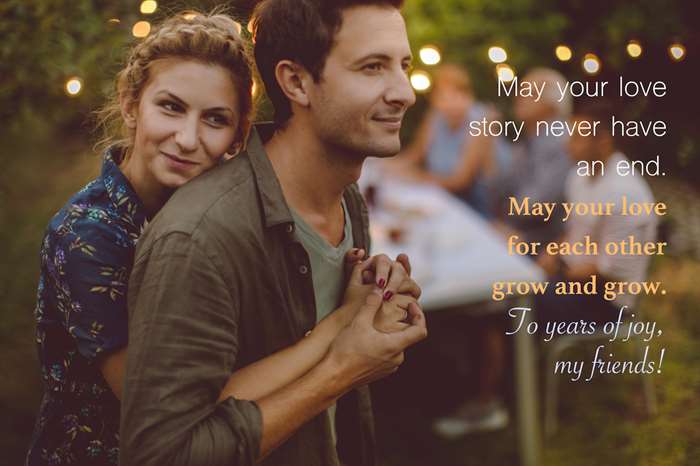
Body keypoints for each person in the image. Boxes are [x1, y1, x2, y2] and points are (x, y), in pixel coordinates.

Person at [27, 10, 416, 466]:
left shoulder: (268, 204)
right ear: (131, 105)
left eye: (215, 119)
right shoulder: (92, 234)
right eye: (170, 107)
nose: (188, 139)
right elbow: (163, 405)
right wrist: (340, 332)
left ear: (238, 132)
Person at [536, 99, 658, 324]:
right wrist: (552, 253)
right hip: (572, 276)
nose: (567, 144)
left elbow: (610, 274)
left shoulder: (625, 194)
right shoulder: (579, 176)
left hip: (606, 301)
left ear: (603, 141)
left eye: (577, 138)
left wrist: (554, 277)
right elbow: (575, 231)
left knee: (519, 301)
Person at [391, 64, 501, 217]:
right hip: (440, 198)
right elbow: (415, 155)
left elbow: (461, 181)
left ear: (469, 96)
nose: (451, 102)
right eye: (443, 96)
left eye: (458, 94)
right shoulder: (435, 117)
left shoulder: (482, 122)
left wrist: (415, 177)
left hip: (476, 208)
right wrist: (387, 166)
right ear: (434, 99)